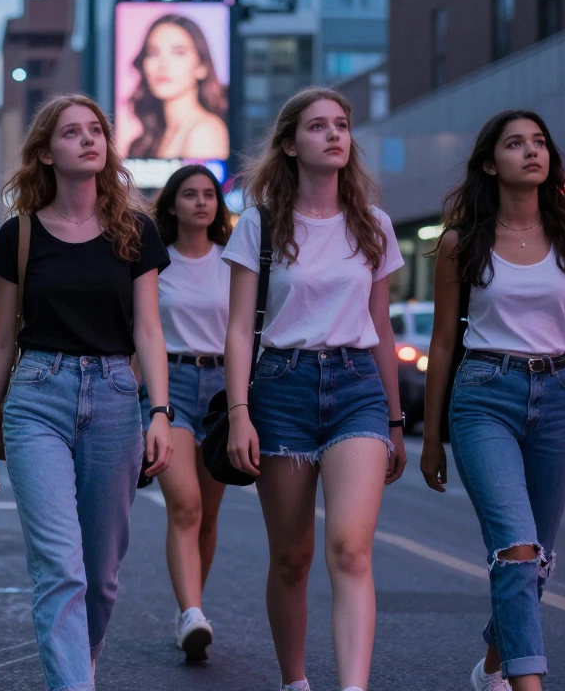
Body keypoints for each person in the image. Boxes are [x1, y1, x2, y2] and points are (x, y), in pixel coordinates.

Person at [421, 110, 565, 691]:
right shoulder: (459, 243)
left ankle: (493, 663)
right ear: (491, 163)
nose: (532, 152)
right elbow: (443, 343)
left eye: (539, 142)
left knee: (534, 558)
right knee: (516, 549)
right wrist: (432, 438)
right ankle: (527, 682)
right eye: (515, 144)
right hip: (483, 394)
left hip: (557, 395)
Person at [0, 93, 173, 691]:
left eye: (96, 131)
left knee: (101, 573)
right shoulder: (21, 234)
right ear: (45, 153)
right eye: (71, 133)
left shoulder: (136, 231)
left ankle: (79, 661)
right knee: (60, 568)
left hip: (115, 396)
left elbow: (149, 327)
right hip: (37, 396)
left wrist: (158, 411)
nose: (88, 140)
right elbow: (1, 340)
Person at [222, 87, 406, 691]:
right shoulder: (260, 225)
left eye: (342, 125)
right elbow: (238, 330)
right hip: (282, 389)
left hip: (357, 389)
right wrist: (240, 413)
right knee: (292, 557)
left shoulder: (373, 225)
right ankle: (295, 682)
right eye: (318, 126)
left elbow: (380, 327)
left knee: (350, 549)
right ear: (290, 144)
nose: (334, 135)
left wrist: (397, 419)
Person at [141, 164, 231, 663]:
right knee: (186, 505)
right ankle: (192, 611)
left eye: (209, 195)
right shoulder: (157, 262)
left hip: (222, 389)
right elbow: (142, 332)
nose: (201, 202)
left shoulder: (233, 261)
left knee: (209, 514)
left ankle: (191, 609)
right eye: (190, 194)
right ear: (172, 204)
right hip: (170, 384)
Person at [125, 14, 228, 161]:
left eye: (178, 53)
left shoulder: (204, 131)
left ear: (202, 66)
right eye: (153, 53)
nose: (163, 65)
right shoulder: (155, 134)